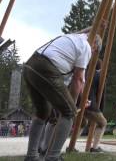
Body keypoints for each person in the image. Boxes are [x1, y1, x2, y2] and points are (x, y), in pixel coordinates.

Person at [23, 27, 102, 161]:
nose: (92, 53)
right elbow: (78, 79)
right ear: (94, 45)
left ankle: (31, 156)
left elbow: (85, 30)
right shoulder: (86, 47)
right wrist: (78, 102)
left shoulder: (72, 37)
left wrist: (96, 26)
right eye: (95, 51)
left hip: (30, 66)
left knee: (42, 112)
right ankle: (53, 157)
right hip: (46, 69)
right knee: (69, 112)